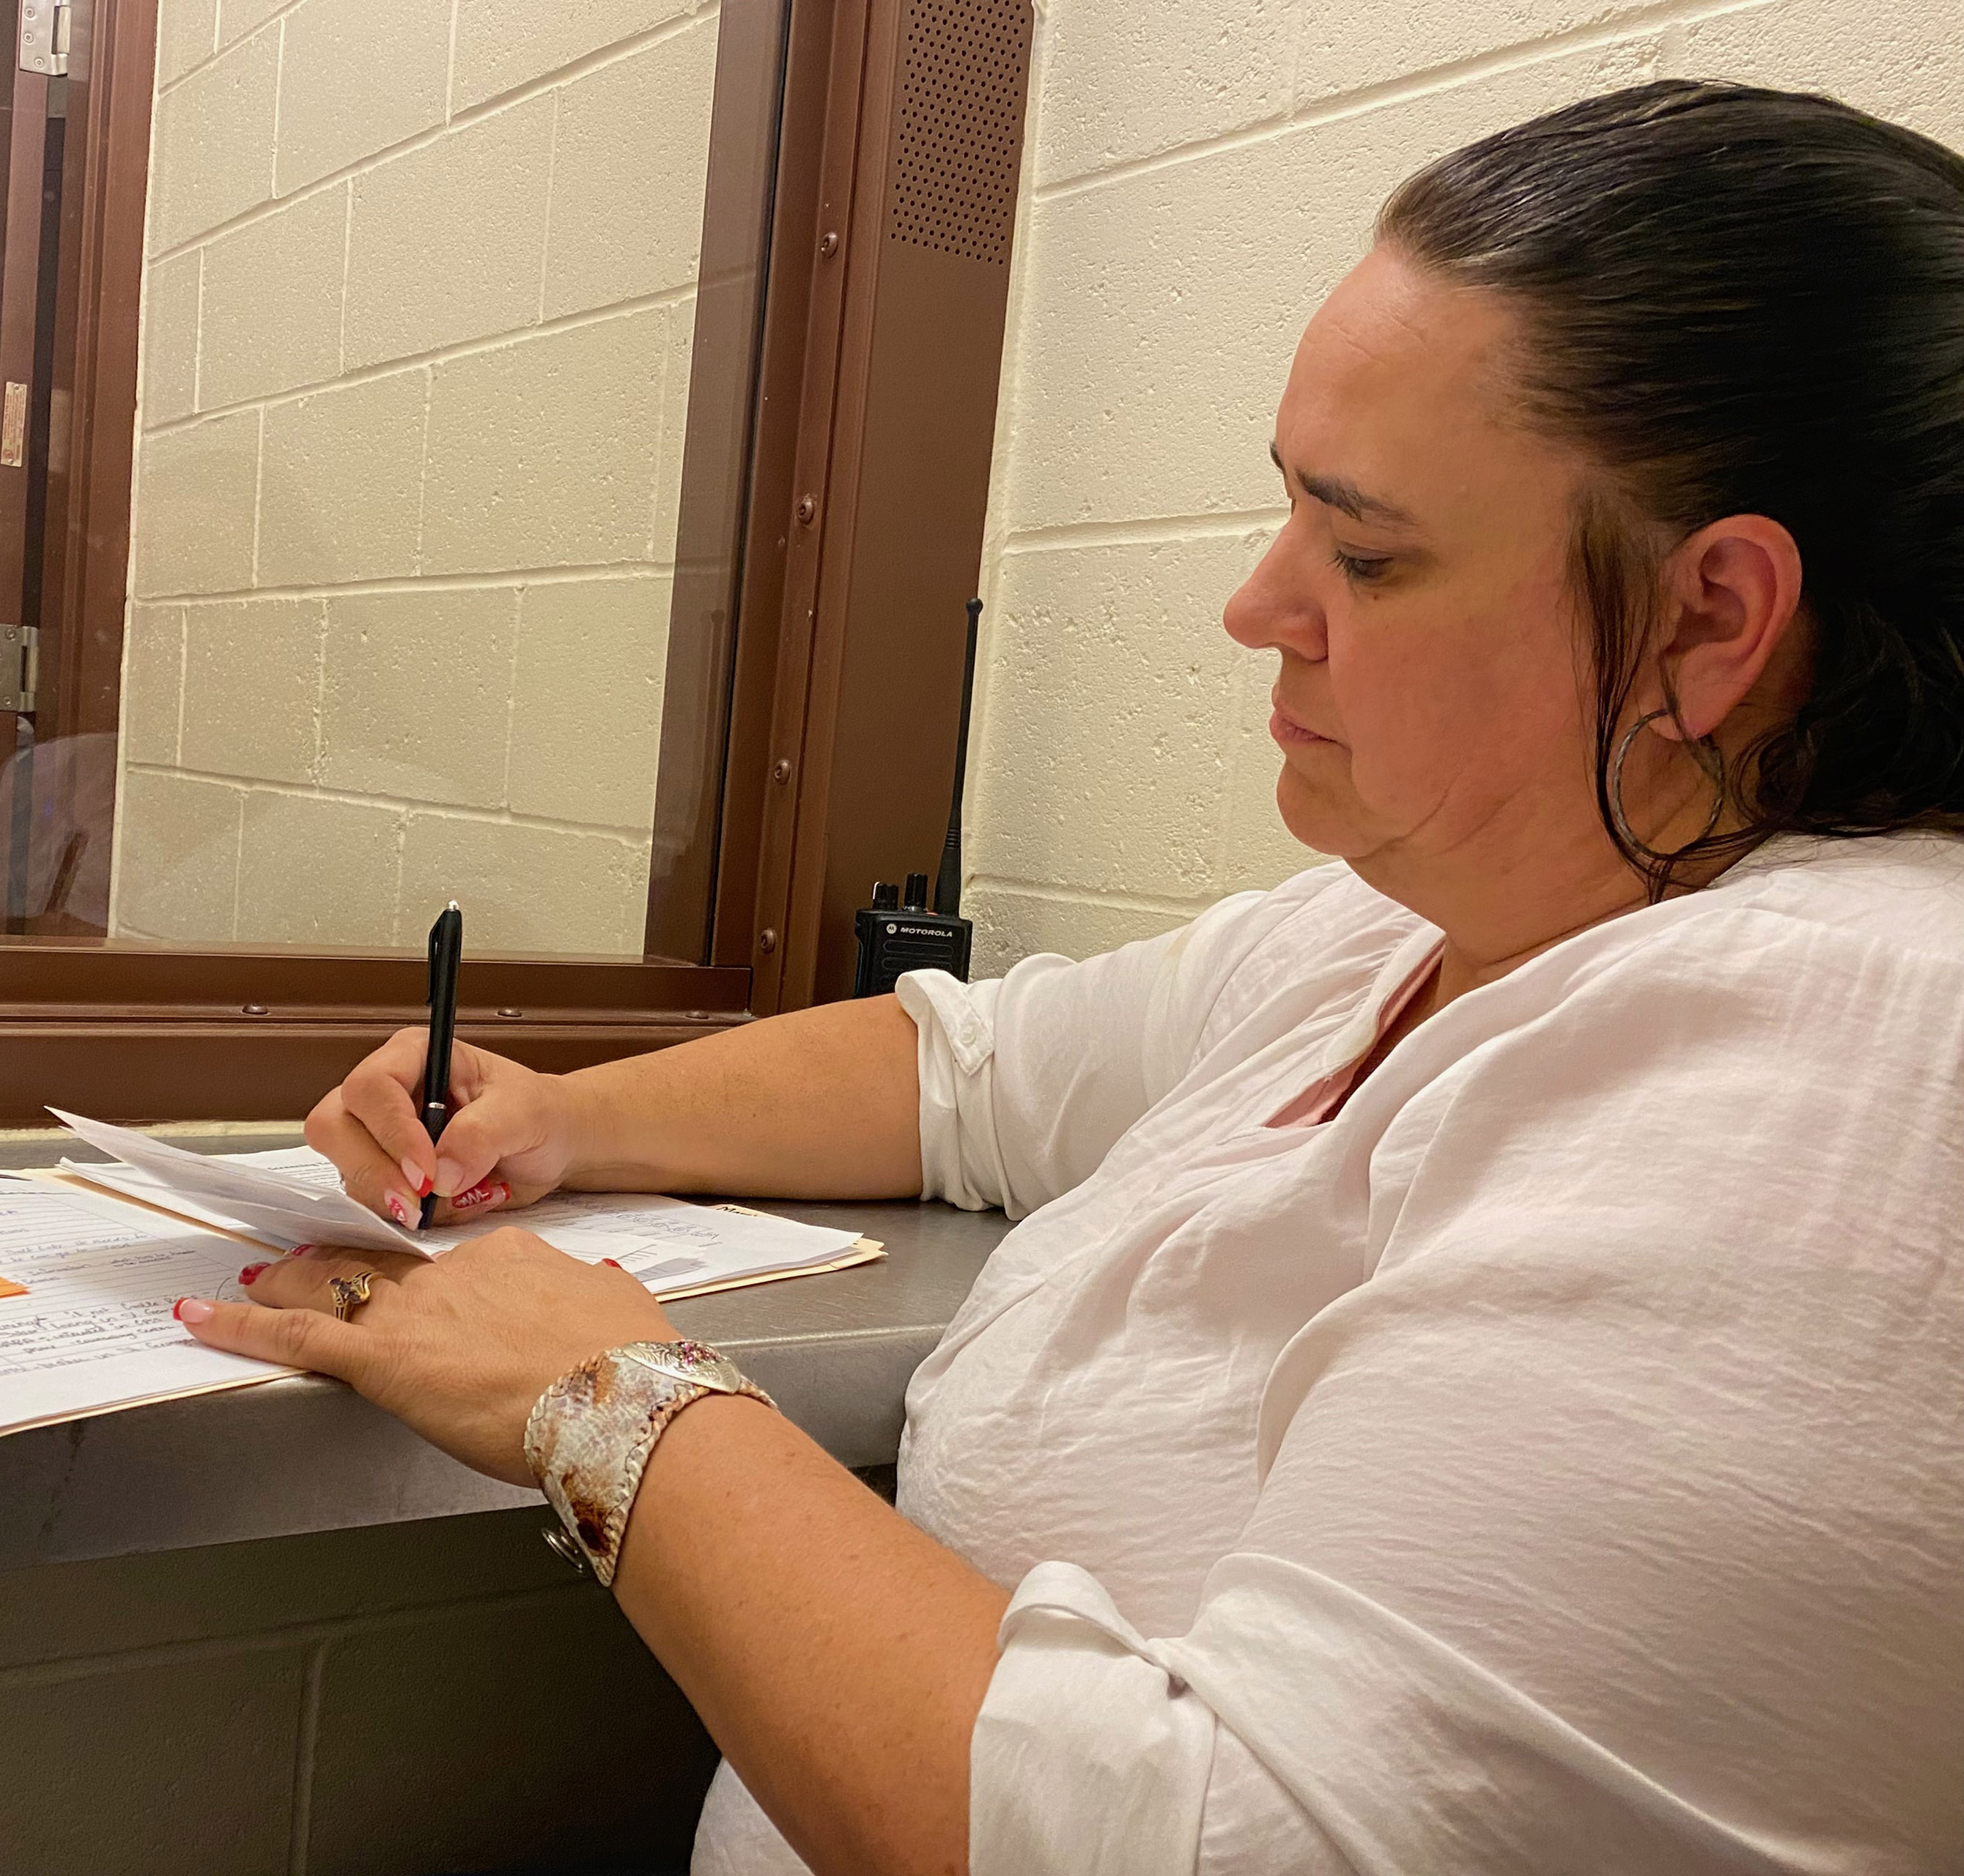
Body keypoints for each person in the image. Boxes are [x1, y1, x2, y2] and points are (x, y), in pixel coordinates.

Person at [173, 81, 1964, 1872]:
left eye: (1367, 550)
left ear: (1709, 620)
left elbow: (1240, 1843)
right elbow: (970, 1072)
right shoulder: (1412, 920)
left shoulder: (1851, 1055)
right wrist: (562, 1116)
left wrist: (611, 1402)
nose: (1260, 603)